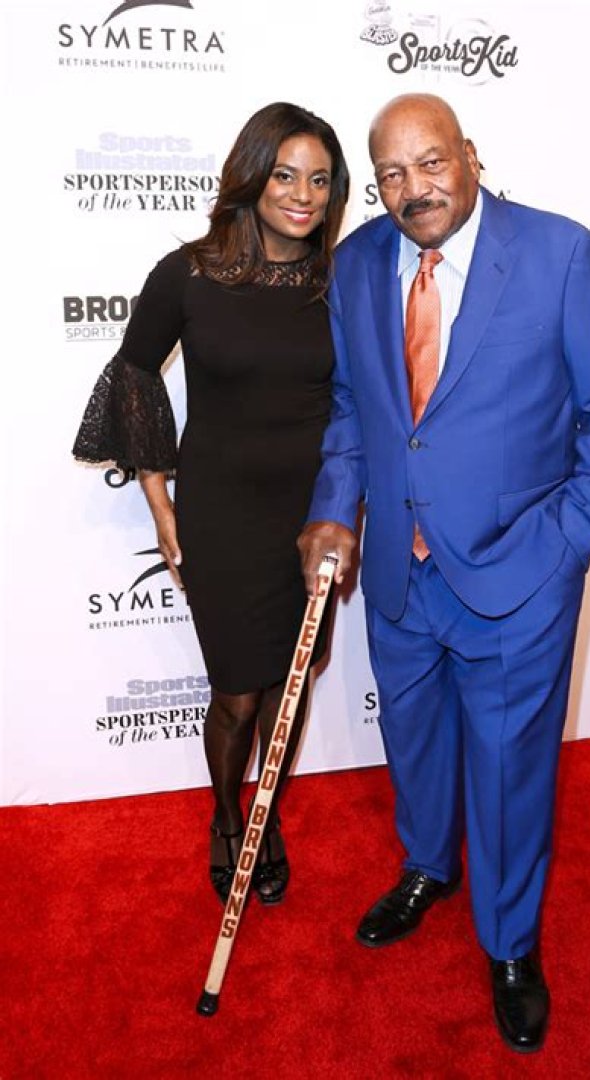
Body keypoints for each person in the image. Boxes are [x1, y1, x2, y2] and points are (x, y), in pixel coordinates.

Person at [298, 93, 590, 1053]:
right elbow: (352, 407)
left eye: (432, 162)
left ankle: (509, 941)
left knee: (508, 768)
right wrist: (335, 507)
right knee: (413, 741)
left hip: (519, 574)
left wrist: (567, 542)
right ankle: (428, 868)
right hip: (399, 574)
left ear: (472, 155)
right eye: (392, 174)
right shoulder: (356, 263)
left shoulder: (562, 254)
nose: (415, 189)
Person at [74, 102, 349, 907]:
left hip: (311, 516)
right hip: (222, 513)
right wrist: (160, 505)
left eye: (320, 181)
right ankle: (228, 819)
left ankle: (267, 815)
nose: (302, 195)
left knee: (289, 684)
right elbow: (134, 374)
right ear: (252, 176)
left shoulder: (339, 282)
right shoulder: (188, 273)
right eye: (286, 175)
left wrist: (347, 507)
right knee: (236, 690)